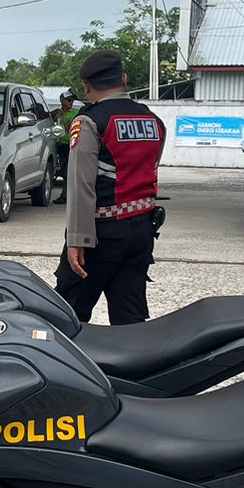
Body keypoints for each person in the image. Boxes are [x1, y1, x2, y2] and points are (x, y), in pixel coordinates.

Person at [55, 50, 165, 324]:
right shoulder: (153, 121)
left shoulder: (89, 122)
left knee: (67, 315)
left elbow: (81, 185)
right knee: (130, 316)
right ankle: (133, 354)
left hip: (101, 235)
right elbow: (150, 167)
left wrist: (77, 240)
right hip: (141, 232)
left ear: (86, 86)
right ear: (124, 79)